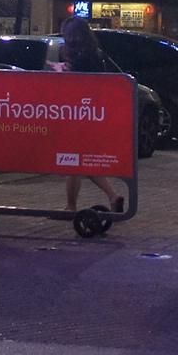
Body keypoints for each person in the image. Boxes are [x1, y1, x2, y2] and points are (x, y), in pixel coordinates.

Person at [60, 18, 129, 215]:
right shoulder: (95, 54)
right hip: (94, 113)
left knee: (74, 160)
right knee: (84, 160)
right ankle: (113, 196)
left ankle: (70, 206)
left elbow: (79, 84)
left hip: (80, 114)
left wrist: (65, 71)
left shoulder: (81, 58)